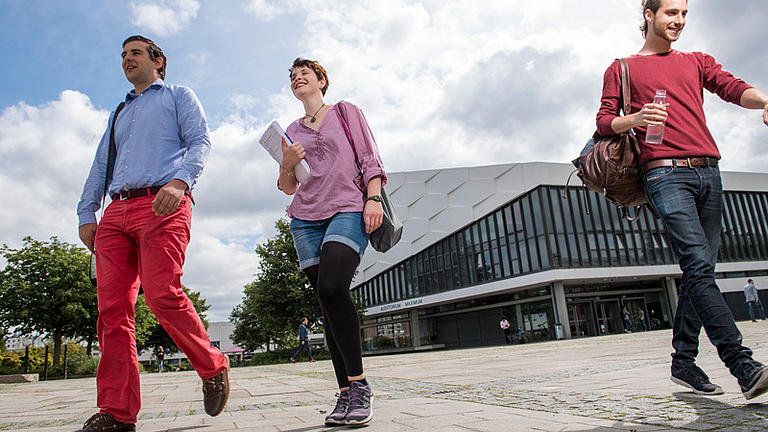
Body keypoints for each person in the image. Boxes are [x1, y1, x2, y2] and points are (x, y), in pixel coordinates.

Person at [596, 0, 768, 399]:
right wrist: (635, 120)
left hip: (709, 171)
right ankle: (743, 366)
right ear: (648, 14)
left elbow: (732, 87)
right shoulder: (622, 67)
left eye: (684, 14)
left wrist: (764, 101)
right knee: (696, 263)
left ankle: (683, 362)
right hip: (664, 173)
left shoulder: (696, 60)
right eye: (671, 12)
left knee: (700, 270)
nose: (679, 21)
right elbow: (604, 120)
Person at [76, 35, 229, 431]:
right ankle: (117, 413)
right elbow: (100, 165)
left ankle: (212, 366)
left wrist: (180, 182)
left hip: (163, 202)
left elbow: (200, 141)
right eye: (123, 55)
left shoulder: (178, 95)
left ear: (158, 60)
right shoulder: (119, 113)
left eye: (135, 53)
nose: (126, 59)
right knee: (112, 313)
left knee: (162, 295)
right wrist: (86, 211)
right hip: (115, 214)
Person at [278, 58, 386, 426]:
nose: (298, 79)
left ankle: (359, 386)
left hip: (346, 209)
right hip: (305, 220)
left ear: (322, 80)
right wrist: (285, 162)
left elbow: (370, 159)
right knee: (326, 303)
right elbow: (288, 186)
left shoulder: (345, 111)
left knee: (333, 287)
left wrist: (373, 199)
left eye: (304, 73)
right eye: (293, 77)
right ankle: (344, 394)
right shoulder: (290, 130)